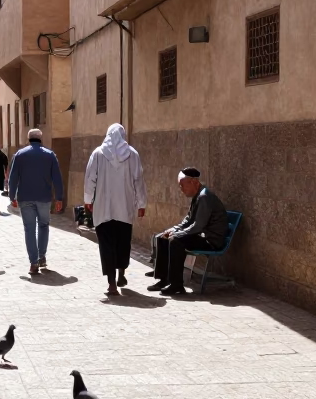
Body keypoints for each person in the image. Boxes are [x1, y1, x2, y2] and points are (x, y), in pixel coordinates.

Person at [84, 124, 147, 296]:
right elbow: (138, 180)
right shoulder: (132, 154)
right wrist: (141, 203)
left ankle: (112, 284)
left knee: (107, 245)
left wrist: (88, 200)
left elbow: (90, 178)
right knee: (122, 242)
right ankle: (121, 273)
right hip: (124, 208)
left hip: (103, 209)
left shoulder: (98, 153)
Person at [147, 167, 228, 296]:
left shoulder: (204, 197)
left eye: (183, 186)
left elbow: (198, 226)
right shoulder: (198, 196)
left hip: (210, 240)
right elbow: (188, 220)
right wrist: (172, 230)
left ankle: (177, 285)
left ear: (194, 182)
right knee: (163, 237)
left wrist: (176, 234)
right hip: (202, 236)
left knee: (176, 242)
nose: (181, 190)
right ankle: (164, 279)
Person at [8, 128, 64, 275]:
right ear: (41, 139)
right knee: (44, 226)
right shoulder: (50, 155)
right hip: (44, 198)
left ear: (28, 139)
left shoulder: (20, 155)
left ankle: (33, 263)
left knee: (29, 229)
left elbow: (13, 177)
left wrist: (12, 196)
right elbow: (57, 178)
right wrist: (59, 197)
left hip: (25, 197)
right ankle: (42, 256)